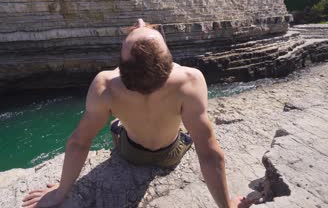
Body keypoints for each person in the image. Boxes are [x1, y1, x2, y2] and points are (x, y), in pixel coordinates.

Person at [22, 19, 253, 208]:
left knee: (116, 123)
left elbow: (79, 143)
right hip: (171, 154)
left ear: (121, 66)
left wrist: (62, 191)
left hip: (130, 153)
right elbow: (211, 154)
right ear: (168, 59)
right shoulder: (190, 79)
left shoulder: (106, 85)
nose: (141, 23)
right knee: (186, 128)